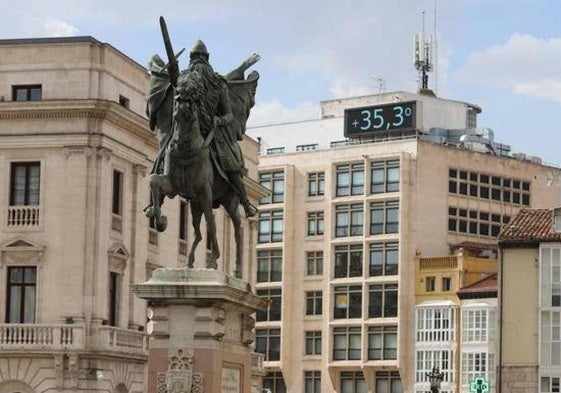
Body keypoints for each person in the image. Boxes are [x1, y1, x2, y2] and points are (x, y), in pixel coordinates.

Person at [184, 39, 258, 218]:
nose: (198, 62)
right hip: (187, 127)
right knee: (167, 148)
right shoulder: (184, 80)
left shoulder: (218, 83)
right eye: (195, 58)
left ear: (207, 60)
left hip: (213, 132)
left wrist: (218, 120)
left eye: (201, 58)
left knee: (231, 164)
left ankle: (245, 201)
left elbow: (229, 115)